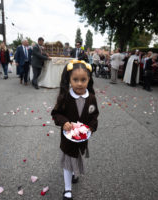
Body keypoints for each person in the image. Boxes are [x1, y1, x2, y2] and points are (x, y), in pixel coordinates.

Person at [51, 60, 99, 200]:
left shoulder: (91, 98)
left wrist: (90, 127)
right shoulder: (65, 97)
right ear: (69, 80)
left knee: (76, 157)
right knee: (67, 162)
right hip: (67, 139)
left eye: (83, 80)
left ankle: (74, 174)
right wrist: (64, 121)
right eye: (75, 79)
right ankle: (67, 190)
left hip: (81, 139)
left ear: (89, 80)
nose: (79, 83)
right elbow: (56, 113)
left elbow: (94, 116)